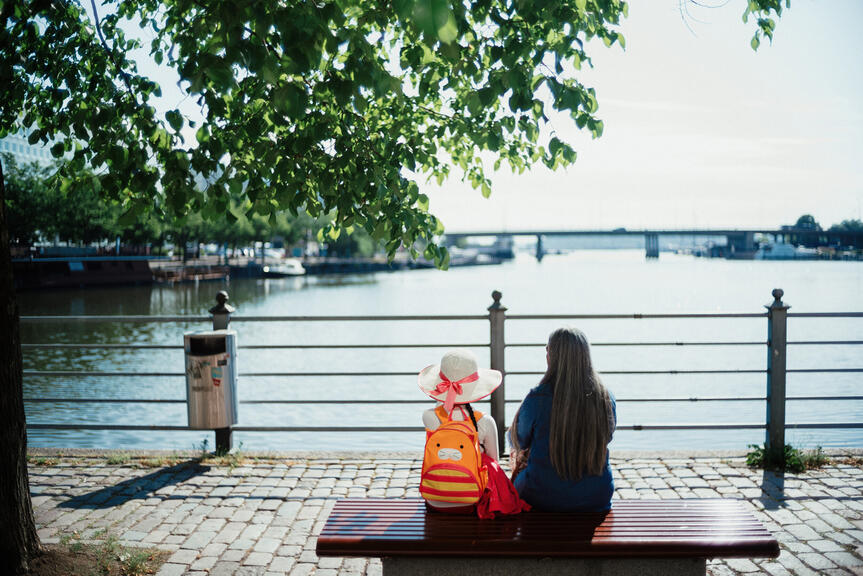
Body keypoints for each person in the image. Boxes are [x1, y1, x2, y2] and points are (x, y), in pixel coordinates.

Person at [510, 327, 616, 512]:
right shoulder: (605, 396)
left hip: (541, 495)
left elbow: (518, 440)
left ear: (552, 356)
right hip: (596, 496)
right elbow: (607, 436)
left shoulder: (537, 398)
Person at [419, 349, 530, 517]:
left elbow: (442, 411)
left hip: (434, 499)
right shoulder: (485, 421)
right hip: (471, 499)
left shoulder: (428, 416)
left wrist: (445, 397)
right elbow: (494, 462)